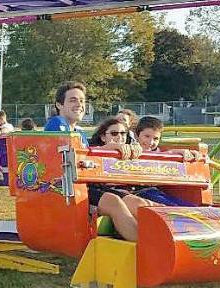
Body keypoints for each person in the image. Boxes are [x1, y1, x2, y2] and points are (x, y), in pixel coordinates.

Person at [44, 81, 147, 241]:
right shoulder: (57, 123)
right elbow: (73, 154)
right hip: (66, 187)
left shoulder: (78, 131)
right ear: (59, 104)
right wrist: (107, 149)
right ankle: (145, 248)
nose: (79, 104)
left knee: (135, 201)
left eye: (82, 101)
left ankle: (161, 239)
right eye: (73, 100)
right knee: (114, 202)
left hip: (83, 185)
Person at [134, 116, 202, 161]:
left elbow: (161, 155)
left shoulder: (158, 152)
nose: (151, 142)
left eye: (155, 139)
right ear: (137, 135)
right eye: (147, 136)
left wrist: (183, 152)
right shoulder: (129, 150)